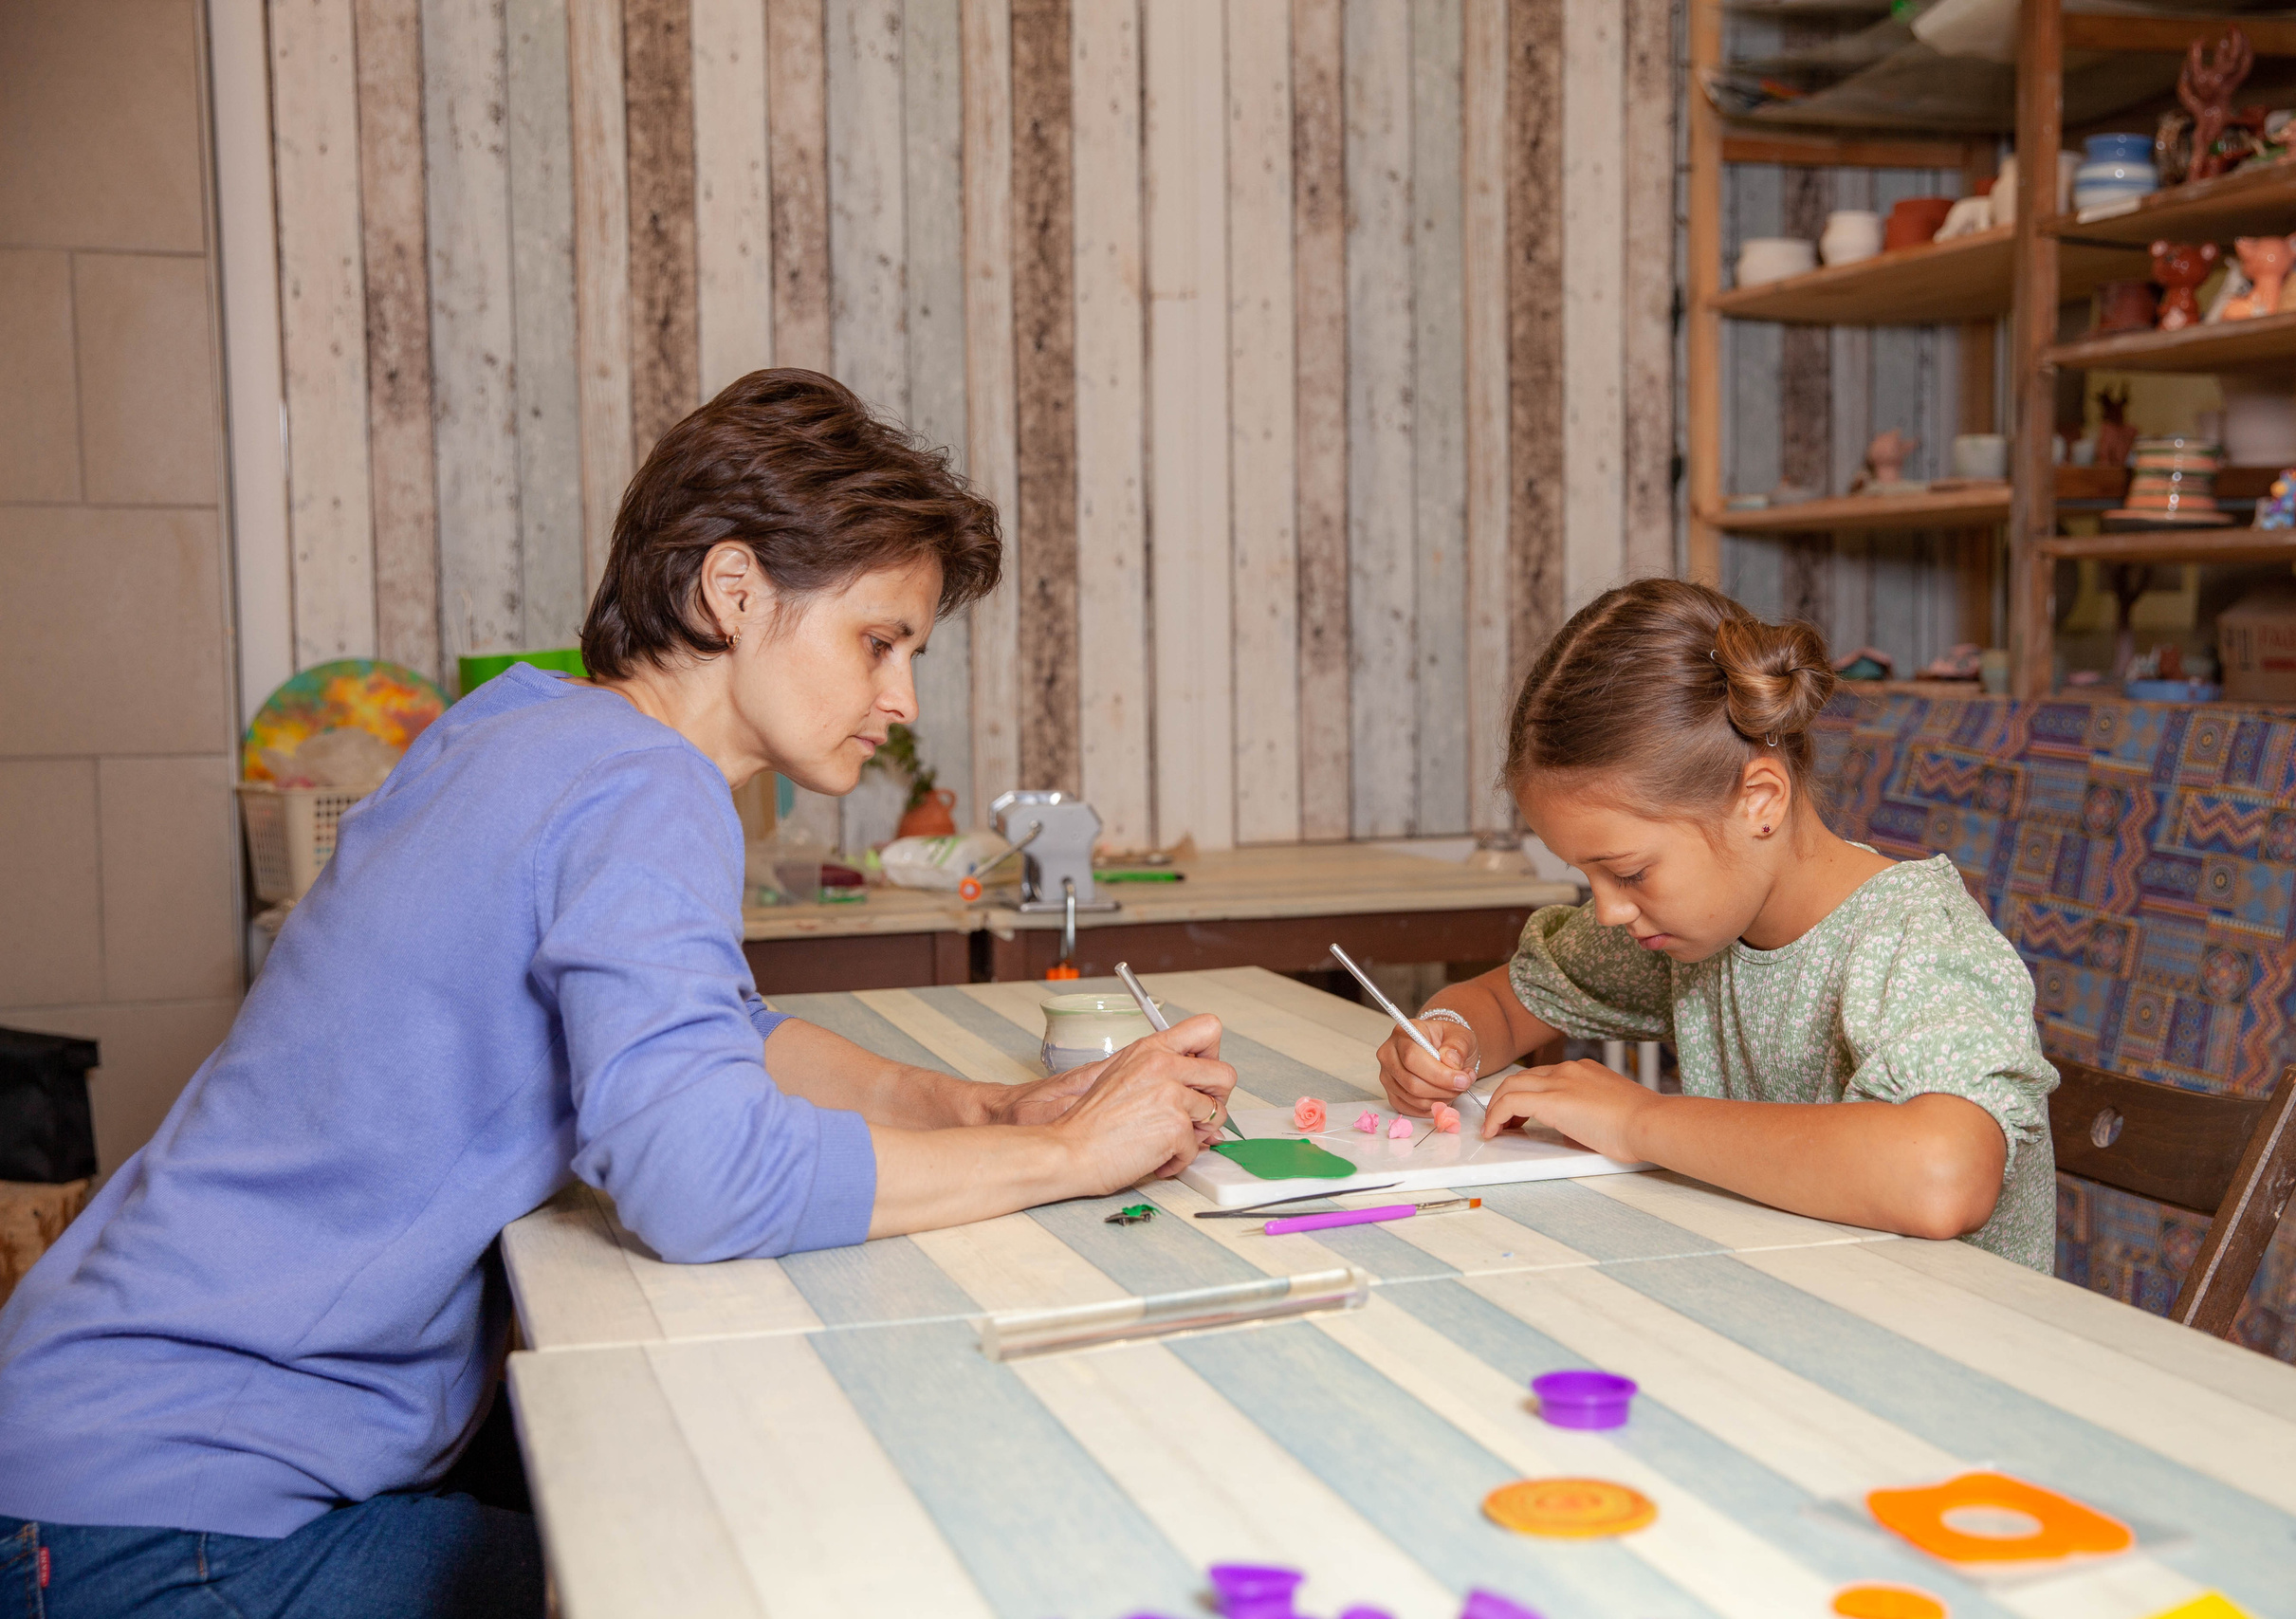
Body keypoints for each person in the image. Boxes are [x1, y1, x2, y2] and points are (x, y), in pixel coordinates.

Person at [0, 370, 1237, 1618]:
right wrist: (1073, 1152)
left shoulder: (518, 724)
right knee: (734, 1568)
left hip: (77, 1455)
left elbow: (719, 1031)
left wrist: (979, 1113)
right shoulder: (648, 786)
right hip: (167, 1526)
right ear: (736, 589)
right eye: (880, 640)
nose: (903, 696)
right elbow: (694, 1172)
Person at [1374, 579, 2055, 1269]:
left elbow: (1942, 1178)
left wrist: (1639, 1120)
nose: (1607, 908)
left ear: (1759, 799)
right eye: (1589, 877)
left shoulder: (1914, 936)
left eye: (1630, 872)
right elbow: (1501, 1000)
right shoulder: (1696, 928)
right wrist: (1445, 1039)